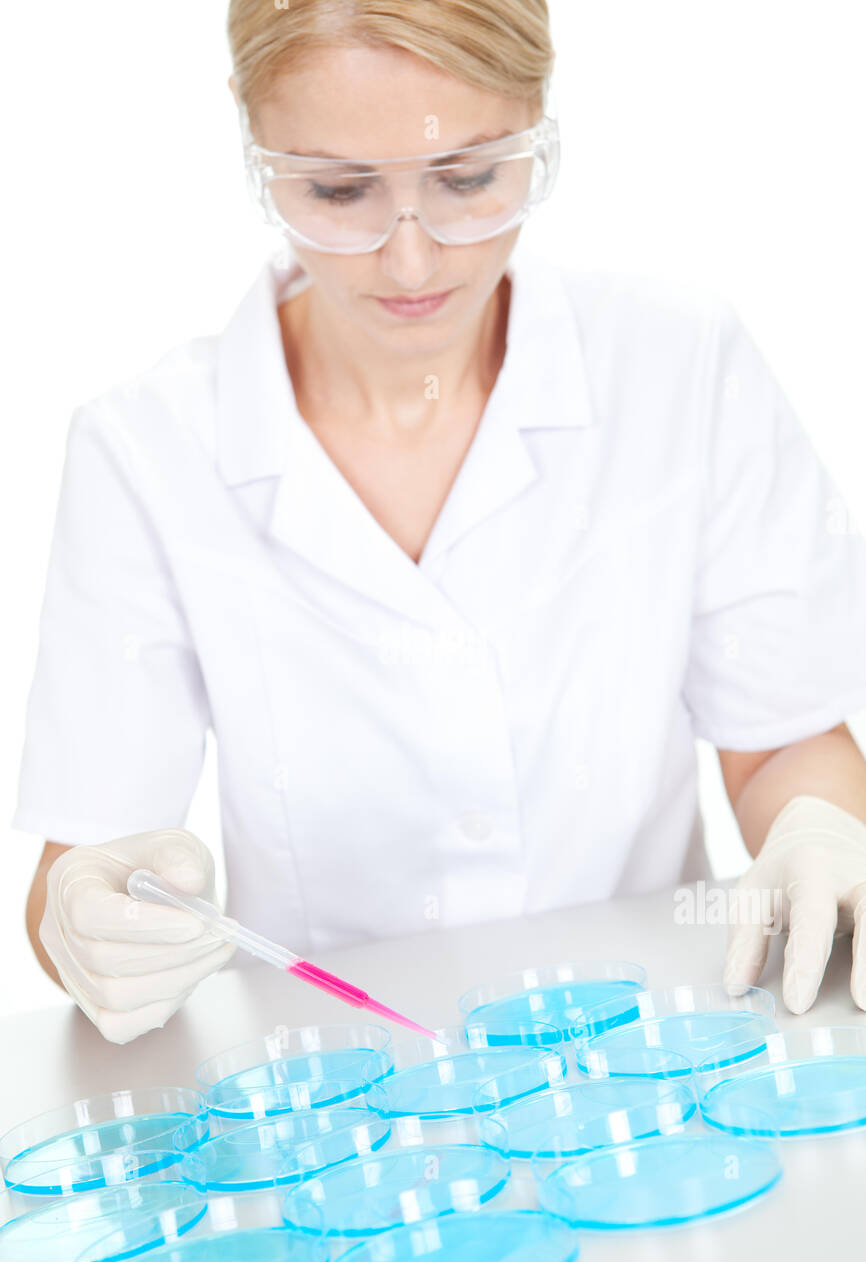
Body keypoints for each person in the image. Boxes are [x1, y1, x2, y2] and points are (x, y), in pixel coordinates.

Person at [16, 0, 866, 1045]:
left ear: (538, 116)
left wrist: (818, 829)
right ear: (254, 143)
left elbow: (781, 739)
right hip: (346, 1101)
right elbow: (84, 871)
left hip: (650, 1064)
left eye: (467, 179)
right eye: (336, 189)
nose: (411, 262)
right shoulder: (145, 449)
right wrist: (89, 923)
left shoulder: (678, 364)